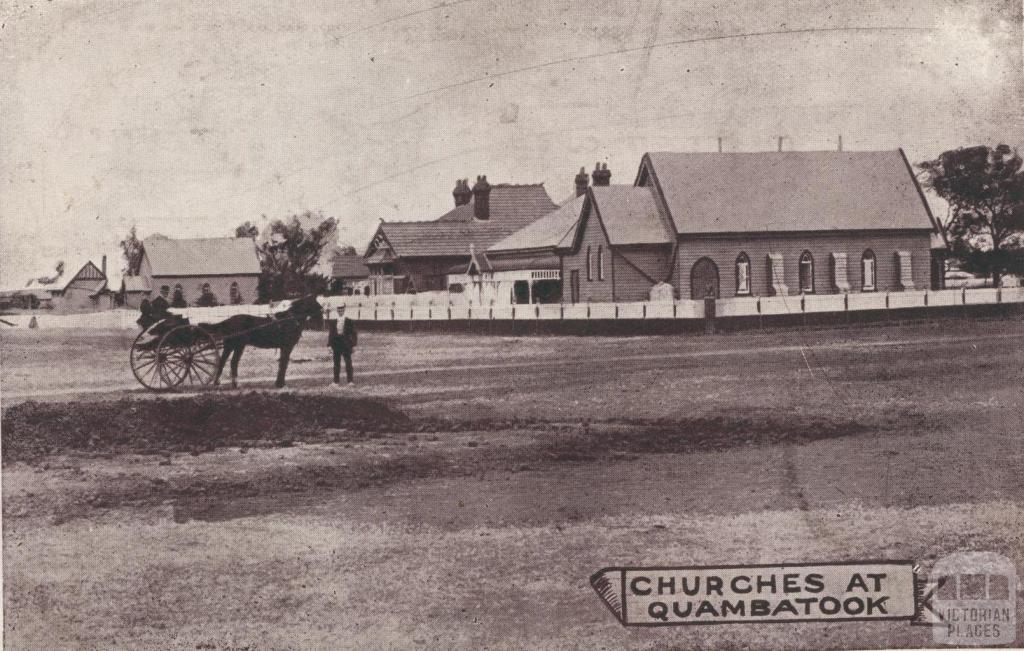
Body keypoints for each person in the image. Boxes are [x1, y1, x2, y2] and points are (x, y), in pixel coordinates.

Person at [327, 304, 358, 388]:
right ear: (337, 311)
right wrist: (329, 345)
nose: (340, 311)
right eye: (339, 310)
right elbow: (331, 334)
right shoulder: (333, 321)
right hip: (336, 344)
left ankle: (350, 381)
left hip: (346, 344)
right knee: (336, 363)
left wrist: (354, 345)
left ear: (344, 310)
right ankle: (336, 382)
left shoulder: (349, 321)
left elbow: (354, 333)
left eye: (341, 310)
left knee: (348, 363)